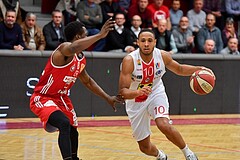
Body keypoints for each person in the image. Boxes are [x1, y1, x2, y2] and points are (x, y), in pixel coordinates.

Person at [30, 19, 123, 160]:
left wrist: (107, 97)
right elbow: (73, 47)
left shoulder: (81, 59)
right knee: (64, 123)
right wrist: (99, 35)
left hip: (61, 98)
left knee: (73, 130)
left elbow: (88, 82)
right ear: (79, 37)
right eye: (86, 35)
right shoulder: (64, 49)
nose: (88, 37)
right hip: (43, 96)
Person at [118, 28, 214, 160]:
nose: (146, 44)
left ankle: (188, 153)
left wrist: (199, 69)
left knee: (163, 124)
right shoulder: (129, 61)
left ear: (155, 42)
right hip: (135, 100)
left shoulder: (162, 56)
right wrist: (137, 92)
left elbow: (179, 69)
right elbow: (123, 92)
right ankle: (160, 155)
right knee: (144, 147)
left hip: (155, 93)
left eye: (150, 41)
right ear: (137, 43)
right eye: (143, 41)